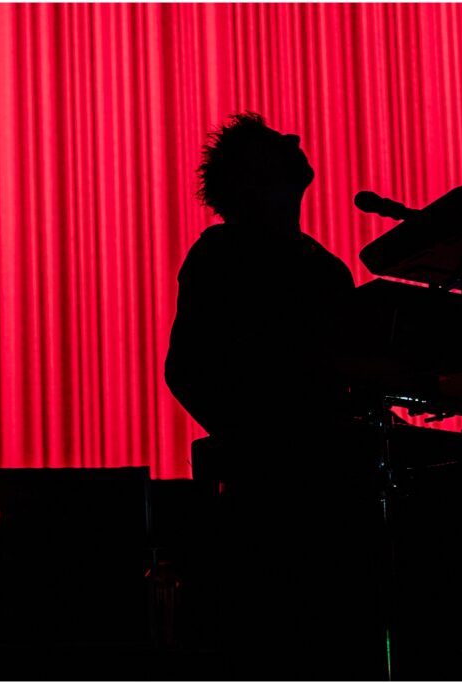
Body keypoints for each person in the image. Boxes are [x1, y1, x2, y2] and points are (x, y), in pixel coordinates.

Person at [165, 112, 382, 679]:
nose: (294, 139)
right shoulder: (221, 255)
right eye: (275, 144)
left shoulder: (328, 269)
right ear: (254, 178)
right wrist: (259, 442)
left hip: (333, 481)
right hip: (271, 489)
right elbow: (186, 369)